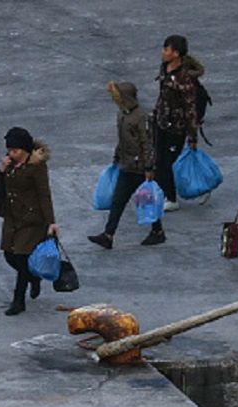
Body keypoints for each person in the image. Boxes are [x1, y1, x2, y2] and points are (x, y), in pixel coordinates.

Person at [88, 81, 165, 249]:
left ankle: (157, 231)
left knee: (147, 200)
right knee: (119, 201)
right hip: (127, 165)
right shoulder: (123, 115)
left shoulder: (140, 117)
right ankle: (109, 234)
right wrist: (117, 156)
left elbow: (147, 143)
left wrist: (149, 167)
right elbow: (123, 140)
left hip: (139, 168)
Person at [0, 127, 59, 316]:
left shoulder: (36, 167)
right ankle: (33, 277)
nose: (11, 154)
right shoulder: (10, 165)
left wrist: (51, 221)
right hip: (12, 217)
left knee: (22, 258)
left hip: (31, 219)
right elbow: (2, 184)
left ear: (24, 150)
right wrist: (1, 170)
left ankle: (18, 301)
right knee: (9, 254)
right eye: (9, 150)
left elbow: (44, 194)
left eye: (15, 150)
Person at [153, 34, 203, 212]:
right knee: (159, 161)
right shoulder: (164, 68)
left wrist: (192, 135)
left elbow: (190, 107)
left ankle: (172, 197)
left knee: (169, 162)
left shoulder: (184, 77)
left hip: (177, 127)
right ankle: (166, 193)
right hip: (161, 121)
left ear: (175, 53)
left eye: (166, 49)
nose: (163, 52)